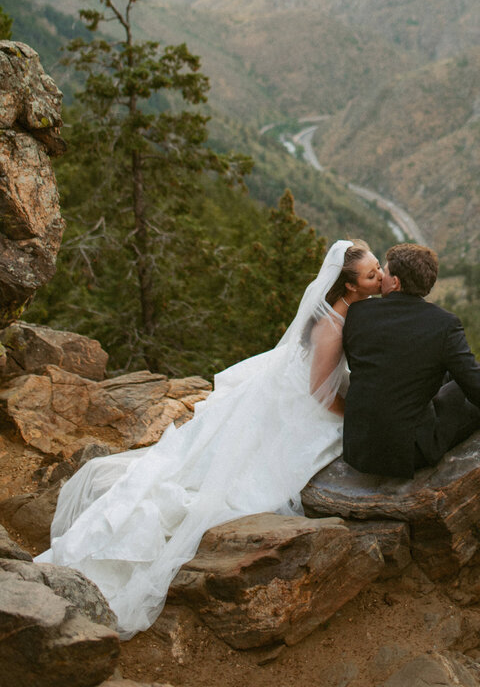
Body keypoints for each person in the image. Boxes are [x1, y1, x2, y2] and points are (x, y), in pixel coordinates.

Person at [36, 238, 382, 639]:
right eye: (372, 273)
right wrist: (354, 415)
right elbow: (321, 390)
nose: (379, 276)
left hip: (286, 384)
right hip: (302, 400)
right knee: (246, 484)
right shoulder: (332, 327)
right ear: (350, 286)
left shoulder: (343, 310)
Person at [342, 242, 480, 504]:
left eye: (386, 272)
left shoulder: (358, 313)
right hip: (406, 453)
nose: (381, 277)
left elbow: (384, 366)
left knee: (449, 378)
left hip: (358, 447)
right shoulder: (443, 324)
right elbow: (478, 387)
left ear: (397, 283)